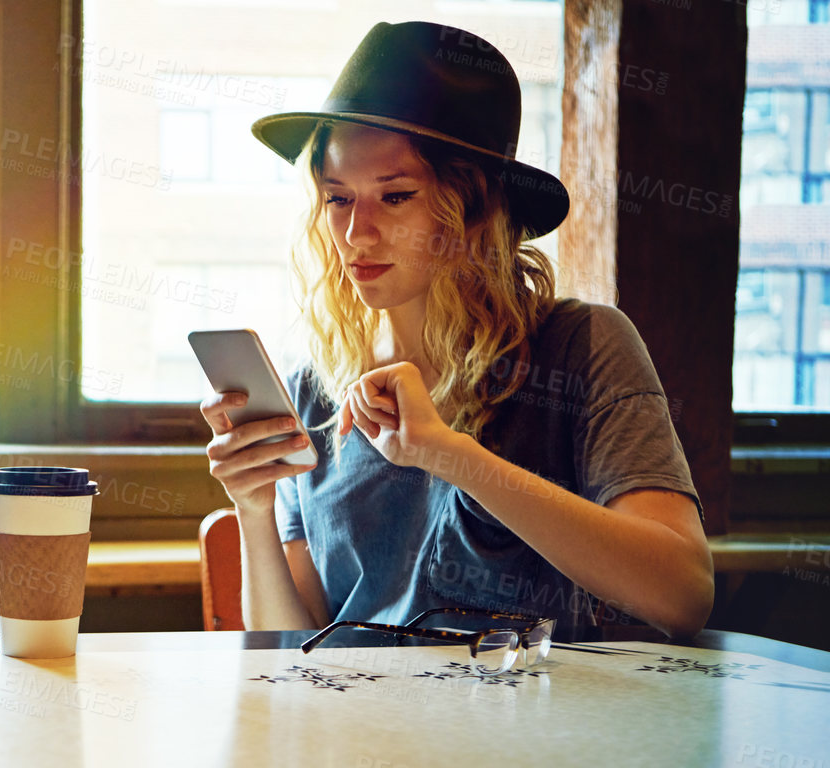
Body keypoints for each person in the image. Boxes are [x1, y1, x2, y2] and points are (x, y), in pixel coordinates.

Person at [201, 21, 713, 640]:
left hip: (528, 732)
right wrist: (253, 511)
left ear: (471, 209)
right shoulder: (315, 391)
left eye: (395, 197)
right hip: (355, 731)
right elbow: (295, 647)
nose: (356, 235)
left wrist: (451, 456)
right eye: (338, 199)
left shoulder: (581, 348)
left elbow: (682, 594)